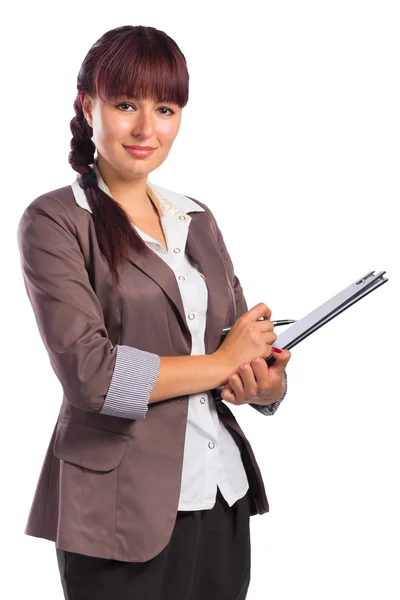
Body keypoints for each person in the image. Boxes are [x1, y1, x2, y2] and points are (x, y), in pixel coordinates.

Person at [16, 24, 291, 600]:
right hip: (119, 511)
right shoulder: (55, 221)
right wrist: (221, 363)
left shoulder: (197, 218)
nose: (147, 128)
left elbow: (238, 348)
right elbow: (93, 377)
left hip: (220, 495)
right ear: (88, 105)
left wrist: (263, 382)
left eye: (165, 108)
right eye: (124, 105)